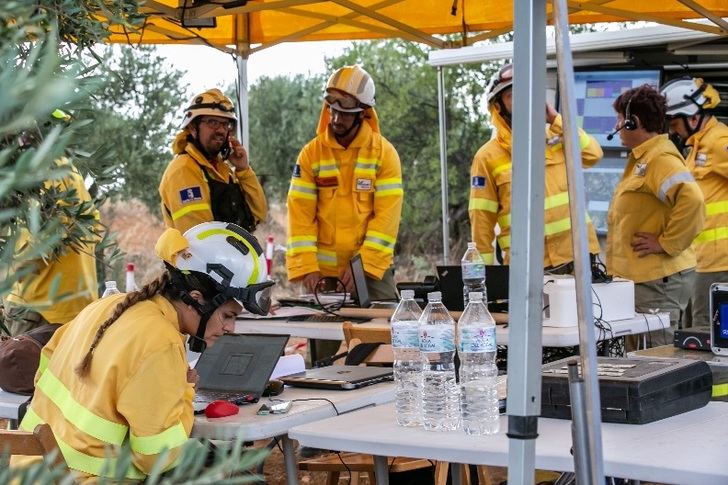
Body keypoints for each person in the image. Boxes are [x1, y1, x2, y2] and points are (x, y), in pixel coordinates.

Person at [10, 221, 273, 481]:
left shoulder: (107, 306)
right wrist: (184, 393)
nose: (230, 327)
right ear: (196, 298)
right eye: (227, 315)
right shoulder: (161, 341)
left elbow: (44, 369)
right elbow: (157, 458)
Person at [469, 63, 604, 271]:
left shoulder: (559, 137)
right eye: (513, 95)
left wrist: (555, 119)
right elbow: (481, 224)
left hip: (578, 259)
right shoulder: (486, 157)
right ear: (498, 107)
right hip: (527, 268)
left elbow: (593, 154)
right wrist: (482, 280)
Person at [286, 65, 403, 299]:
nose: (336, 118)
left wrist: (362, 265)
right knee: (322, 333)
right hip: (321, 274)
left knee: (382, 331)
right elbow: (300, 216)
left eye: (345, 113)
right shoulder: (311, 154)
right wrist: (308, 268)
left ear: (363, 112)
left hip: (371, 270)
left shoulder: (384, 154)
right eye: (332, 110)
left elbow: (386, 220)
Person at [606, 84, 704, 347]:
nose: (616, 126)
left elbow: (692, 199)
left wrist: (666, 243)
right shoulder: (644, 159)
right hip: (643, 280)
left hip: (658, 282)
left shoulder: (660, 159)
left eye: (619, 119)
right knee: (642, 357)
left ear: (632, 122)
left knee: (657, 360)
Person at [3, 109, 100, 336]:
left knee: (18, 368)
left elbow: (42, 242)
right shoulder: (67, 170)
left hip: (40, 305)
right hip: (69, 302)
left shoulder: (45, 173)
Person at [660, 77, 728, 325]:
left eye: (675, 123)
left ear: (692, 116)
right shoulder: (698, 146)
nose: (672, 130)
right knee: (694, 332)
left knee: (707, 330)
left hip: (718, 262)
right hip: (698, 260)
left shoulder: (719, 143)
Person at [159, 88, 267, 234]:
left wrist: (243, 170)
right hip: (206, 257)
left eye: (225, 124)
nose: (221, 130)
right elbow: (201, 237)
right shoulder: (183, 170)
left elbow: (258, 214)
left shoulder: (222, 170)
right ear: (192, 128)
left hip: (231, 256)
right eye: (213, 122)